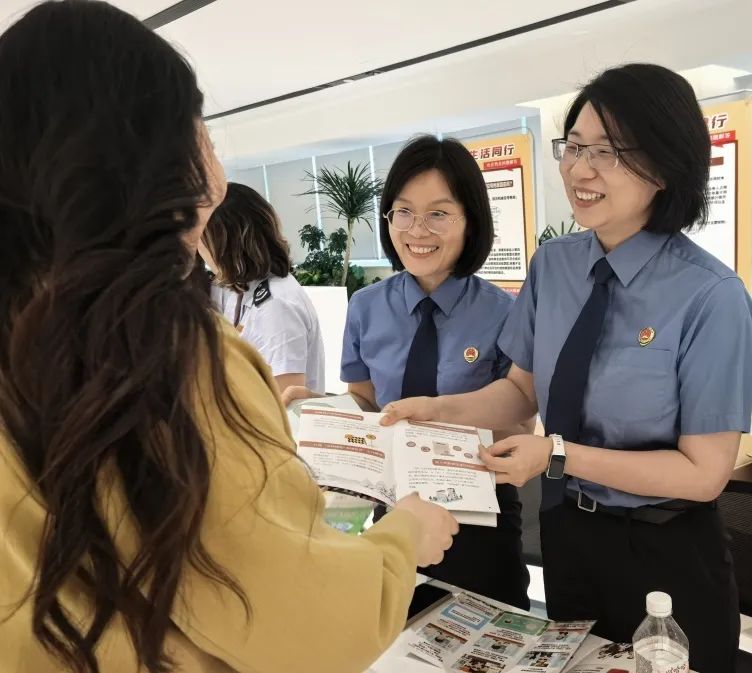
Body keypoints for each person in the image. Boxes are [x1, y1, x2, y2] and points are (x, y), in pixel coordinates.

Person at [0, 3, 457, 673]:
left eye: (438, 213)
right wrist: (401, 541)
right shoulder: (168, 351)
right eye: (201, 127)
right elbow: (298, 619)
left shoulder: (34, 331)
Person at [383, 63, 752, 673]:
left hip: (666, 549)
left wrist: (558, 455)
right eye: (575, 147)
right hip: (568, 534)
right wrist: (439, 409)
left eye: (608, 152)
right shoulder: (553, 266)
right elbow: (519, 392)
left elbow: (704, 473)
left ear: (665, 166)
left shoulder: (710, 296)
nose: (581, 170)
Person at [284, 135, 531, 609]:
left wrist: (443, 421)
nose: (418, 230)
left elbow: (519, 425)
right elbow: (366, 401)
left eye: (438, 213)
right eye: (403, 212)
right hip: (396, 509)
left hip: (479, 515)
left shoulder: (505, 312)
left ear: (471, 221)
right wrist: (321, 411)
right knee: (396, 630)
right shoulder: (366, 306)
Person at [200, 182, 326, 394]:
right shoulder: (239, 288)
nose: (198, 249)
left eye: (201, 239)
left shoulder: (276, 305)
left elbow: (284, 397)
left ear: (224, 244)